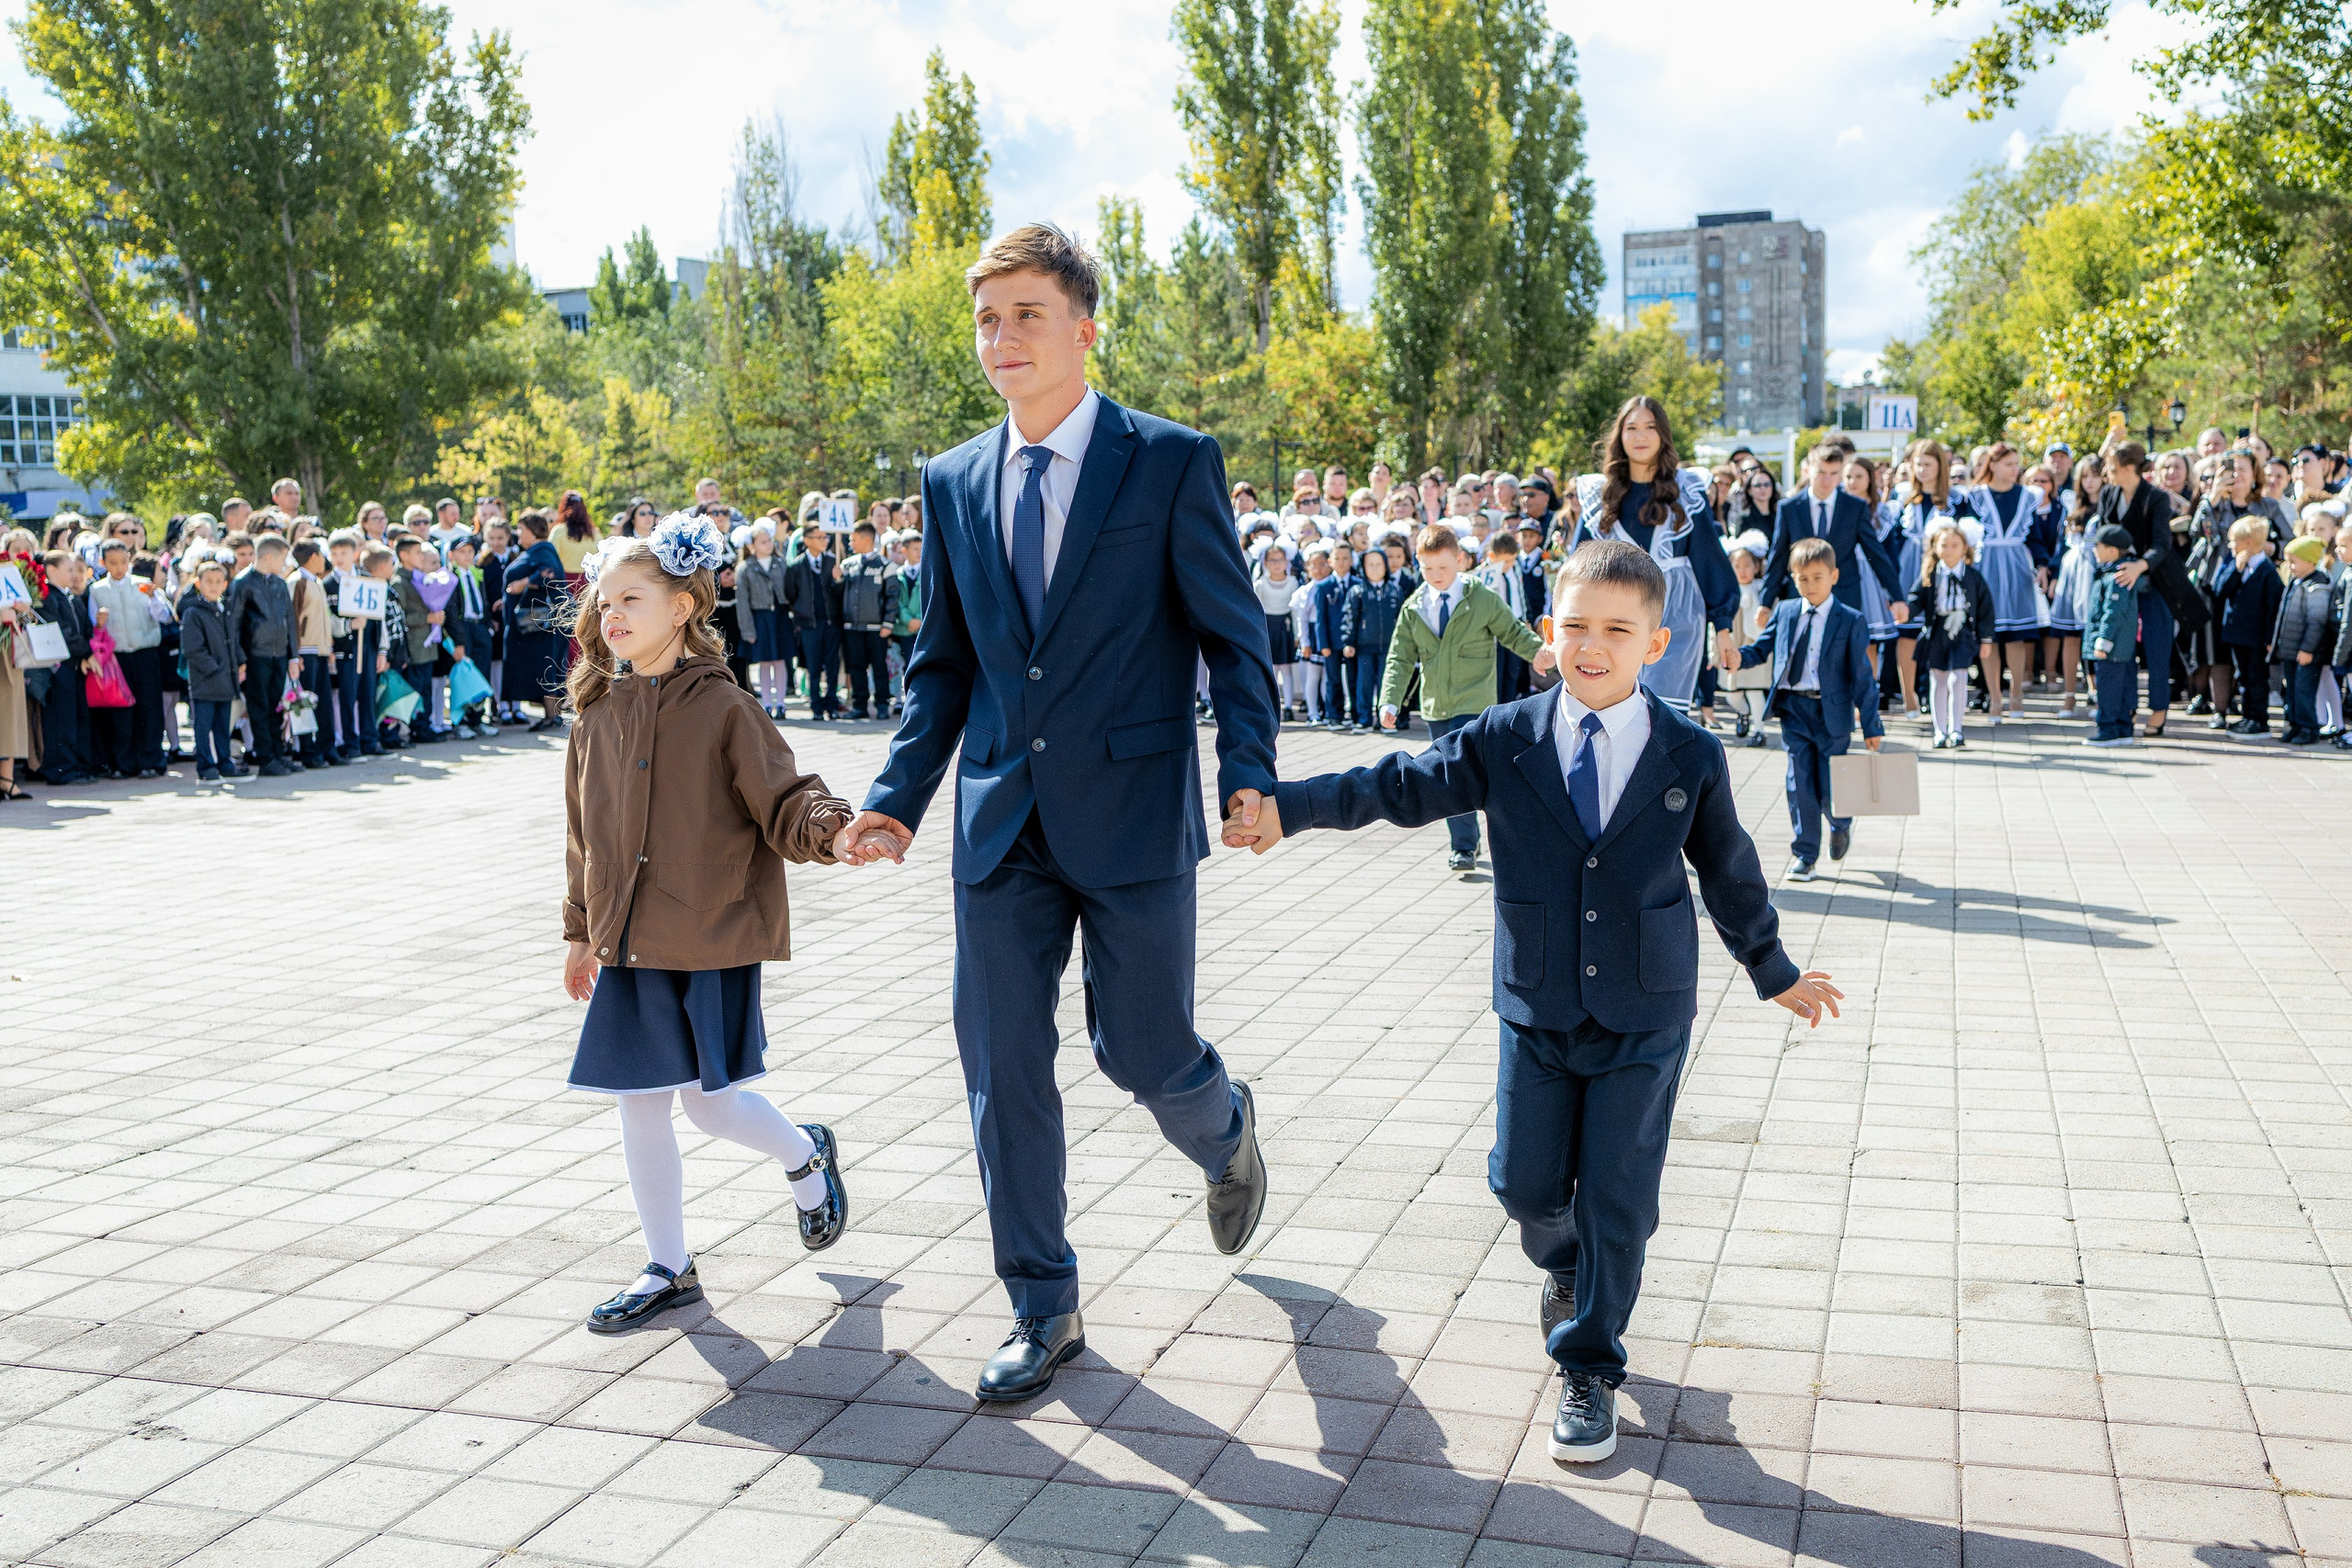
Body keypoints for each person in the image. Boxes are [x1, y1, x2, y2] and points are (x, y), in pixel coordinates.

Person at [1224, 539, 1843, 1464]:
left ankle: (1588, 1362)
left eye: (1618, 631)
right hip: (1537, 1002)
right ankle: (1565, 1269)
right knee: (1521, 1183)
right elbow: (1396, 785)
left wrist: (1774, 971)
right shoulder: (1503, 737)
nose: (1594, 646)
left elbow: (1731, 875)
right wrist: (1289, 805)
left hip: (1645, 1011)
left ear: (1655, 642)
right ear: (1549, 632)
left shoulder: (1689, 751)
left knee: (1620, 1202)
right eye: (1578, 626)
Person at [836, 223, 1278, 1405]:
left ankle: (1224, 1126)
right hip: (997, 823)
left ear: (1083, 326)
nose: (1002, 338)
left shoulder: (1169, 462)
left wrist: (1251, 772)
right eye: (986, 319)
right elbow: (943, 666)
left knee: (1138, 1048)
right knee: (1002, 1070)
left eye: (1026, 313)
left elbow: (1235, 641)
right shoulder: (951, 480)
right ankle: (1044, 1302)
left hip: (1133, 815)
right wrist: (893, 806)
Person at [560, 517, 856, 1334]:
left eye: (631, 599)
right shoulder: (597, 710)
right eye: (604, 600)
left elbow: (786, 797)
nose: (611, 614)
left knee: (712, 1105)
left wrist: (834, 827)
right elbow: (583, 832)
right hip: (627, 942)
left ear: (685, 605)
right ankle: (668, 1264)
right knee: (638, 1101)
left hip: (709, 933)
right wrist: (581, 929)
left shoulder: (724, 705)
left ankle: (805, 1154)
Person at [1377, 524, 1557, 870]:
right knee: (1448, 778)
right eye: (1428, 568)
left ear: (1459, 559)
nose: (1436, 575)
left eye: (1443, 567)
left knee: (1481, 775)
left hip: (1474, 703)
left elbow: (1512, 631)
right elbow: (1399, 657)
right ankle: (1463, 846)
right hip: (1436, 706)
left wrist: (1538, 653)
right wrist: (1390, 700)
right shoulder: (1414, 607)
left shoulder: (1481, 598)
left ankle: (1508, 842)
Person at [1570, 398, 1741, 712]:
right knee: (1610, 717)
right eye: (1631, 428)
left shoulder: (1686, 491)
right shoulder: (1599, 496)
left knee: (1663, 723)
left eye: (1650, 428)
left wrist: (1724, 631)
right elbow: (1575, 569)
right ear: (1619, 435)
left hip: (1674, 621)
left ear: (1663, 435)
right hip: (1611, 627)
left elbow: (1709, 562)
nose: (1640, 436)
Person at [1731, 537, 1883, 879]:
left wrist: (1872, 726)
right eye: (1802, 578)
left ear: (1834, 576)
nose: (1809, 585)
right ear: (1793, 578)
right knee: (1799, 782)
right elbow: (1763, 648)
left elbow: (1862, 677)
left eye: (1817, 577)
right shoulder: (1785, 611)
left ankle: (1840, 823)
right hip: (1794, 709)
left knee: (1830, 785)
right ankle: (1806, 854)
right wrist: (1739, 658)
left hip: (1833, 713)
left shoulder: (1849, 619)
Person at [2098, 440, 2199, 739]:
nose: (2108, 472)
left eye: (2113, 467)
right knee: (2123, 649)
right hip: (2121, 583)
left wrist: (2138, 566)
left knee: (2157, 650)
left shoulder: (2155, 497)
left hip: (2156, 581)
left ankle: (2158, 710)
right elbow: (2106, 535)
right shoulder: (2108, 494)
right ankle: (2126, 707)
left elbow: (2162, 544)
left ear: (2129, 468)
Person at [1760, 444, 1907, 650]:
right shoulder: (1790, 508)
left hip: (1844, 598)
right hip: (1801, 598)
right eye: (1821, 472)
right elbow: (1778, 558)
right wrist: (1765, 603)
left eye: (1833, 473)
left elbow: (1876, 554)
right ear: (1809, 470)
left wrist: (1897, 597)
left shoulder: (1855, 507)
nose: (1826, 480)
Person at [85, 538, 167, 778]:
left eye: (123, 561)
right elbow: (93, 624)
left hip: (145, 652)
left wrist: (153, 598)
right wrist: (99, 623)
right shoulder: (98, 590)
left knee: (150, 707)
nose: (119, 567)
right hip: (117, 657)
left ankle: (151, 759)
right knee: (121, 711)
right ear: (103, 563)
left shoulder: (143, 584)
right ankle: (123, 762)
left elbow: (163, 616)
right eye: (113, 563)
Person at [1910, 524, 1995, 750]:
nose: (1949, 550)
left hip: (1963, 632)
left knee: (1959, 677)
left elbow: (1986, 609)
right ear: (1935, 547)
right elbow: (1916, 598)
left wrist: (1986, 639)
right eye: (1944, 545)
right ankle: (1939, 730)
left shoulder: (1973, 576)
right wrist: (1906, 611)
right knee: (1938, 678)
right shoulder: (1930, 574)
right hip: (1938, 629)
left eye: (1955, 545)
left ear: (1965, 548)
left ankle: (1957, 729)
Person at [227, 535, 302, 776]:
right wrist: (240, 659)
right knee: (259, 707)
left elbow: (289, 621)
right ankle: (265, 756)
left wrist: (293, 656)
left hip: (279, 654)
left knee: (276, 706)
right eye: (282, 558)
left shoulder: (280, 583)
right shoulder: (243, 583)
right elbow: (234, 624)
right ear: (269, 556)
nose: (285, 563)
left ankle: (278, 754)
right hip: (256, 656)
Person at [2212, 516, 2282, 735]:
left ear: (2249, 542)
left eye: (2234, 541)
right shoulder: (2236, 565)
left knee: (2256, 678)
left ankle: (2259, 719)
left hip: (2257, 637)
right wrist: (2236, 569)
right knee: (2243, 677)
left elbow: (2273, 609)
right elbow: (2219, 591)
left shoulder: (2267, 572)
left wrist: (2270, 639)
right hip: (2237, 634)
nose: (2231, 546)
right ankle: (2247, 716)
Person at [502, 512, 570, 733]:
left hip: (542, 625)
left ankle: (552, 715)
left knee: (546, 665)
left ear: (531, 530)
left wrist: (524, 583)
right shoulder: (536, 550)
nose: (518, 534)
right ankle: (551, 715)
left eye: (521, 529)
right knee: (543, 665)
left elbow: (549, 573)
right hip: (537, 625)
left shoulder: (543, 550)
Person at [178, 557, 243, 780]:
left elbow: (232, 642)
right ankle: (206, 766)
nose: (214, 586)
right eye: (209, 581)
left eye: (218, 581)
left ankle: (225, 763)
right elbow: (193, 650)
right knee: (203, 727)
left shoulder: (224, 610)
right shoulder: (193, 613)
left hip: (225, 680)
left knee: (223, 727)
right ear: (198, 584)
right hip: (205, 681)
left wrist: (239, 663)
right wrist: (215, 669)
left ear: (225, 584)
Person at [36, 552, 94, 785]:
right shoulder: (48, 597)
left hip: (76, 665)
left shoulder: (70, 596)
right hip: (59, 666)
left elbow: (84, 628)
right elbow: (62, 632)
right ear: (51, 570)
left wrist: (87, 650)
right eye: (68, 569)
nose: (74, 574)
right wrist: (86, 652)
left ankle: (77, 764)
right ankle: (60, 768)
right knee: (60, 719)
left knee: (76, 716)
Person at [2083, 525, 2143, 748]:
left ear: (2112, 550)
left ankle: (2108, 728)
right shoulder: (2112, 572)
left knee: (2108, 688)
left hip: (2112, 646)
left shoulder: (2115, 576)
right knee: (2124, 686)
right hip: (2121, 647)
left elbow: (2113, 613)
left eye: (2098, 546)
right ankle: (2124, 727)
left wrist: (2103, 641)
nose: (2095, 551)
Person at [836, 521, 899, 721]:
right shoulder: (847, 565)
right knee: (856, 668)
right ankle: (859, 705)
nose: (850, 543)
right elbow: (838, 594)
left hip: (876, 629)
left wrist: (888, 623)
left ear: (866, 539)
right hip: (852, 627)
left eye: (853, 539)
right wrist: (837, 580)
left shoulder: (885, 566)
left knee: (879, 667)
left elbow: (892, 596)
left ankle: (882, 705)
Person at [288, 541, 344, 767]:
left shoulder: (317, 581)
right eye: (322, 554)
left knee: (323, 703)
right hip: (304, 652)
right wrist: (294, 652)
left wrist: (328, 646)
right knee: (305, 703)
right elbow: (292, 618)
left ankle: (327, 747)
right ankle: (307, 751)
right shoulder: (297, 581)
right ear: (313, 556)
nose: (325, 559)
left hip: (319, 651)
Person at [2276, 536, 2334, 744]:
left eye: (2293, 561)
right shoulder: (2296, 581)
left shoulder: (2318, 585)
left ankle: (2309, 728)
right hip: (2291, 649)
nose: (2288, 566)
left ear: (2310, 562)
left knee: (2303, 691)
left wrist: (2308, 649)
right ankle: (2295, 725)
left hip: (2306, 652)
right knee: (2291, 690)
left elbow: (2317, 621)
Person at [1340, 545, 1403, 732]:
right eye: (1370, 564)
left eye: (1379, 564)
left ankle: (1386, 720)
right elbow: (1349, 617)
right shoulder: (1357, 591)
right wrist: (1348, 641)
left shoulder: (1395, 590)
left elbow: (1402, 618)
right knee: (1364, 684)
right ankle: (1364, 719)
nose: (1375, 568)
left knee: (1386, 683)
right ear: (1363, 567)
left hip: (1388, 646)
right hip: (1364, 646)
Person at [786, 520, 842, 720]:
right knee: (813, 667)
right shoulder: (796, 566)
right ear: (807, 540)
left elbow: (839, 595)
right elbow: (791, 595)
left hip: (831, 623)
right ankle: (816, 705)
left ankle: (832, 704)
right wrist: (800, 615)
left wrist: (838, 580)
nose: (824, 541)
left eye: (825, 537)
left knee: (833, 666)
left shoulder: (832, 562)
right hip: (809, 624)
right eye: (819, 537)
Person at [736, 523, 790, 717]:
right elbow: (742, 602)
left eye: (769, 541)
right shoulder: (746, 568)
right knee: (765, 661)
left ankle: (781, 703)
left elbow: (790, 591)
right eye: (763, 542)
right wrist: (747, 630)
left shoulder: (780, 563)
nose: (768, 545)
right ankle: (767, 703)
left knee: (780, 660)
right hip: (760, 617)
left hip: (780, 616)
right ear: (752, 546)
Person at [888, 530, 923, 716]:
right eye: (915, 548)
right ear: (904, 550)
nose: (919, 552)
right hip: (902, 628)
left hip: (920, 627)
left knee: (915, 664)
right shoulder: (898, 573)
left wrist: (918, 619)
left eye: (921, 548)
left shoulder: (927, 573)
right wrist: (908, 619)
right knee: (897, 664)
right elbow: (897, 601)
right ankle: (898, 699)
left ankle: (914, 699)